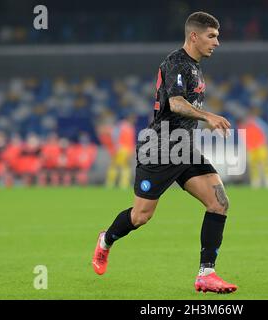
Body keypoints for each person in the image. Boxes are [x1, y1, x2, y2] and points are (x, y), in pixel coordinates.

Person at [92, 12, 237, 294]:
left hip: (184, 148)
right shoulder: (176, 62)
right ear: (194, 36)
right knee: (141, 216)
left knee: (219, 202)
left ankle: (206, 274)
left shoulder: (195, 66)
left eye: (217, 36)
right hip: (159, 149)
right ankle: (106, 240)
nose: (217, 42)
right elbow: (176, 103)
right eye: (212, 36)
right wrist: (208, 116)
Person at [238, 107, 268, 189]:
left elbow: (266, 132)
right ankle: (256, 182)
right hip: (251, 148)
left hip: (260, 146)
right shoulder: (241, 127)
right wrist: (246, 147)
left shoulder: (257, 123)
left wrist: (263, 142)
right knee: (253, 165)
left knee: (265, 163)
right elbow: (242, 139)